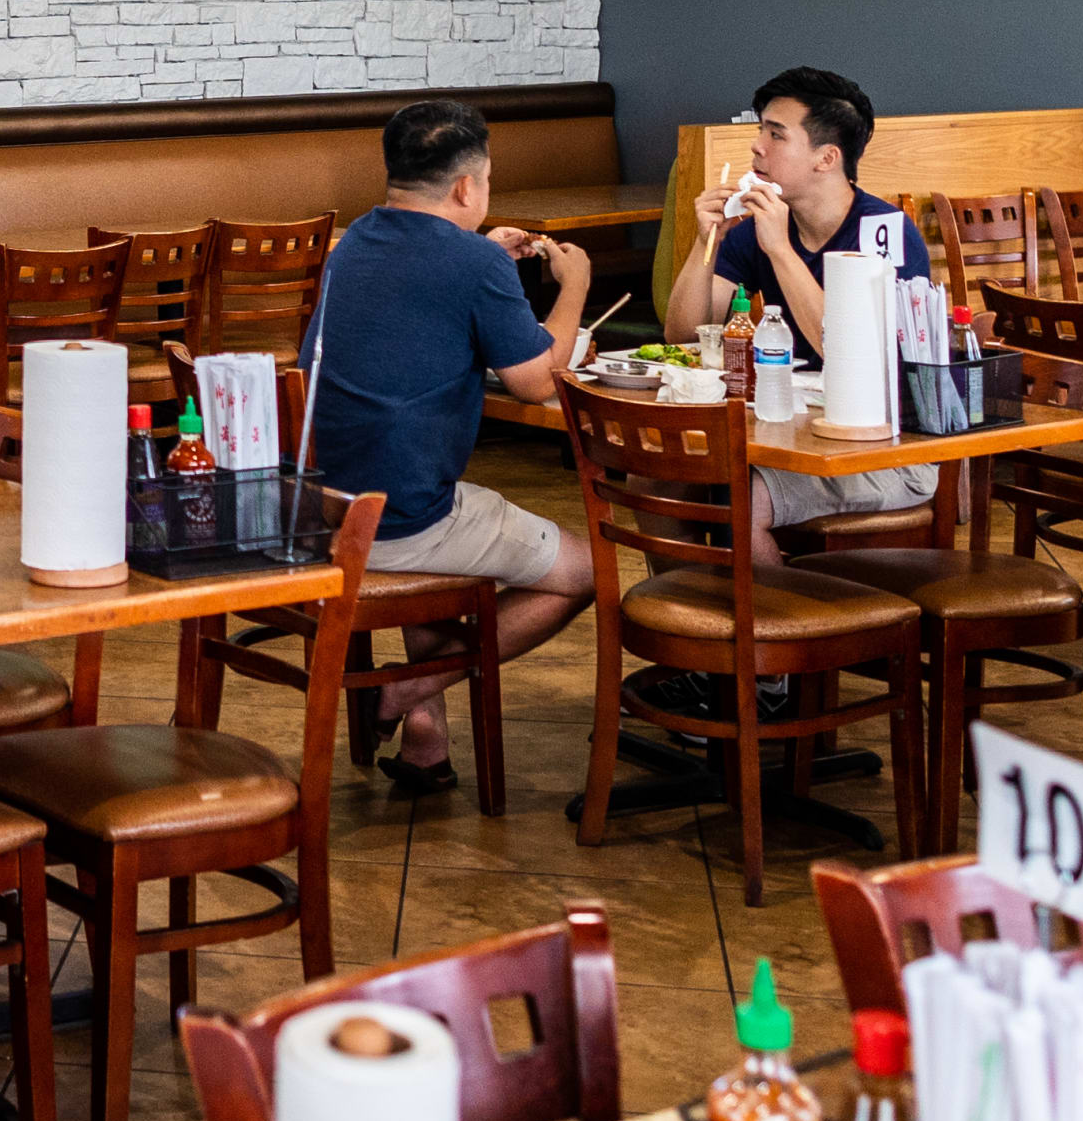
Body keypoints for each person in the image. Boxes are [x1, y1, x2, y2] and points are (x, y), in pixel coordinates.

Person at [301, 99, 598, 797]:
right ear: (469, 187)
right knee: (590, 570)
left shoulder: (351, 245)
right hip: (403, 518)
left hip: (321, 506)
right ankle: (409, 690)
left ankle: (426, 744)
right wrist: (575, 288)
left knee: (442, 524)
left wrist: (483, 254)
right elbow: (532, 383)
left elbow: (418, 291)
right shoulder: (468, 263)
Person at [664, 66, 937, 534]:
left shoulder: (882, 231)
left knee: (742, 496)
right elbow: (684, 332)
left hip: (889, 448)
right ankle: (698, 604)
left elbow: (853, 358)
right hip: (798, 430)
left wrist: (780, 251)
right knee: (656, 481)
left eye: (776, 135)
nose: (757, 147)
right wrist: (702, 241)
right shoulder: (761, 228)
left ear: (826, 158)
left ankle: (764, 608)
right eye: (759, 131)